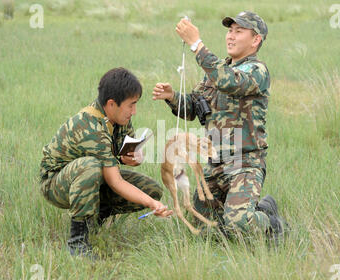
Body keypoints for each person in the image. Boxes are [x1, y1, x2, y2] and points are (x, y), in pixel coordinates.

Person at [152, 12, 288, 239]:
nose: (231, 37)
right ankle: (243, 209)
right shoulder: (215, 73)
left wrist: (196, 44)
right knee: (203, 229)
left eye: (238, 31)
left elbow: (229, 81)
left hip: (245, 164)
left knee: (237, 226)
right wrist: (173, 97)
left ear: (255, 40)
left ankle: (269, 220)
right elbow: (194, 108)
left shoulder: (257, 71)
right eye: (229, 31)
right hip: (215, 165)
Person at [40, 67, 172, 257]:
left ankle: (96, 218)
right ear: (111, 104)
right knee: (90, 167)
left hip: (92, 178)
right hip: (55, 184)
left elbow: (129, 155)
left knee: (151, 189)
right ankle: (78, 241)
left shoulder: (121, 118)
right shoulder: (90, 127)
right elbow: (115, 182)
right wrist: (152, 204)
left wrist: (136, 158)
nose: (134, 111)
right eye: (131, 105)